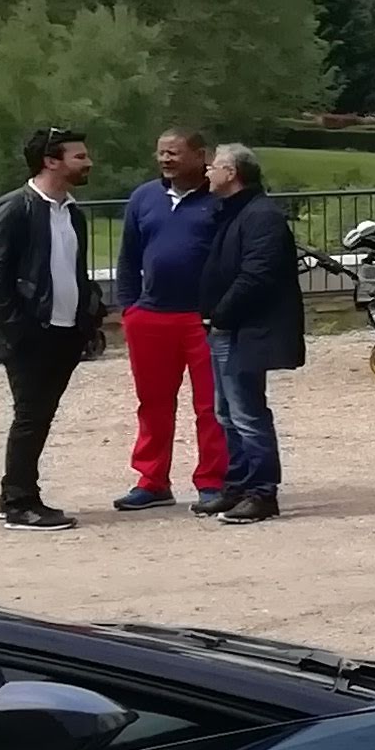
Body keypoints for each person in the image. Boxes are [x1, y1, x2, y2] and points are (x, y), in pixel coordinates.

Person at [0, 127, 106, 532]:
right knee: (31, 416)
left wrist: (88, 314)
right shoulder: (14, 208)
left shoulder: (71, 212)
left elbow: (73, 270)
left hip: (65, 331)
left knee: (39, 415)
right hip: (32, 333)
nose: (88, 162)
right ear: (51, 162)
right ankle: (20, 502)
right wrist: (17, 328)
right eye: (79, 156)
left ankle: (13, 494)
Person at [111, 126, 230, 515]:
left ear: (200, 156)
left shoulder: (219, 199)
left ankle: (212, 481)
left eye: (174, 152)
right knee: (153, 404)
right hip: (150, 317)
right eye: (161, 152)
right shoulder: (144, 197)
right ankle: (152, 480)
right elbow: (129, 256)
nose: (165, 159)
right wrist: (130, 308)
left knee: (211, 405)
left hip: (204, 319)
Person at [194, 145, 302, 526]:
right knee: (226, 413)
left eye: (214, 166)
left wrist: (221, 313)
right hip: (227, 328)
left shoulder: (261, 216)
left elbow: (258, 274)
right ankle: (237, 486)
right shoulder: (234, 212)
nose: (207, 172)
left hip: (244, 328)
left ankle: (262, 492)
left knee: (247, 413)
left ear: (232, 172)